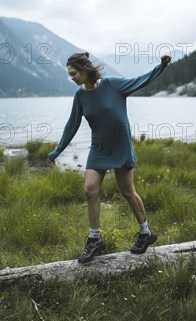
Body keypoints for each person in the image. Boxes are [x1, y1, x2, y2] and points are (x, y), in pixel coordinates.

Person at [47, 51, 171, 263]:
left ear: (85, 70)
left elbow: (141, 81)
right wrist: (57, 150)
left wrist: (162, 66)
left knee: (128, 192)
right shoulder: (80, 96)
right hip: (99, 149)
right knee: (89, 190)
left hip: (121, 147)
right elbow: (72, 125)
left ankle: (145, 232)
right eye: (70, 74)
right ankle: (94, 239)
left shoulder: (113, 85)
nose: (72, 77)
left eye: (74, 73)